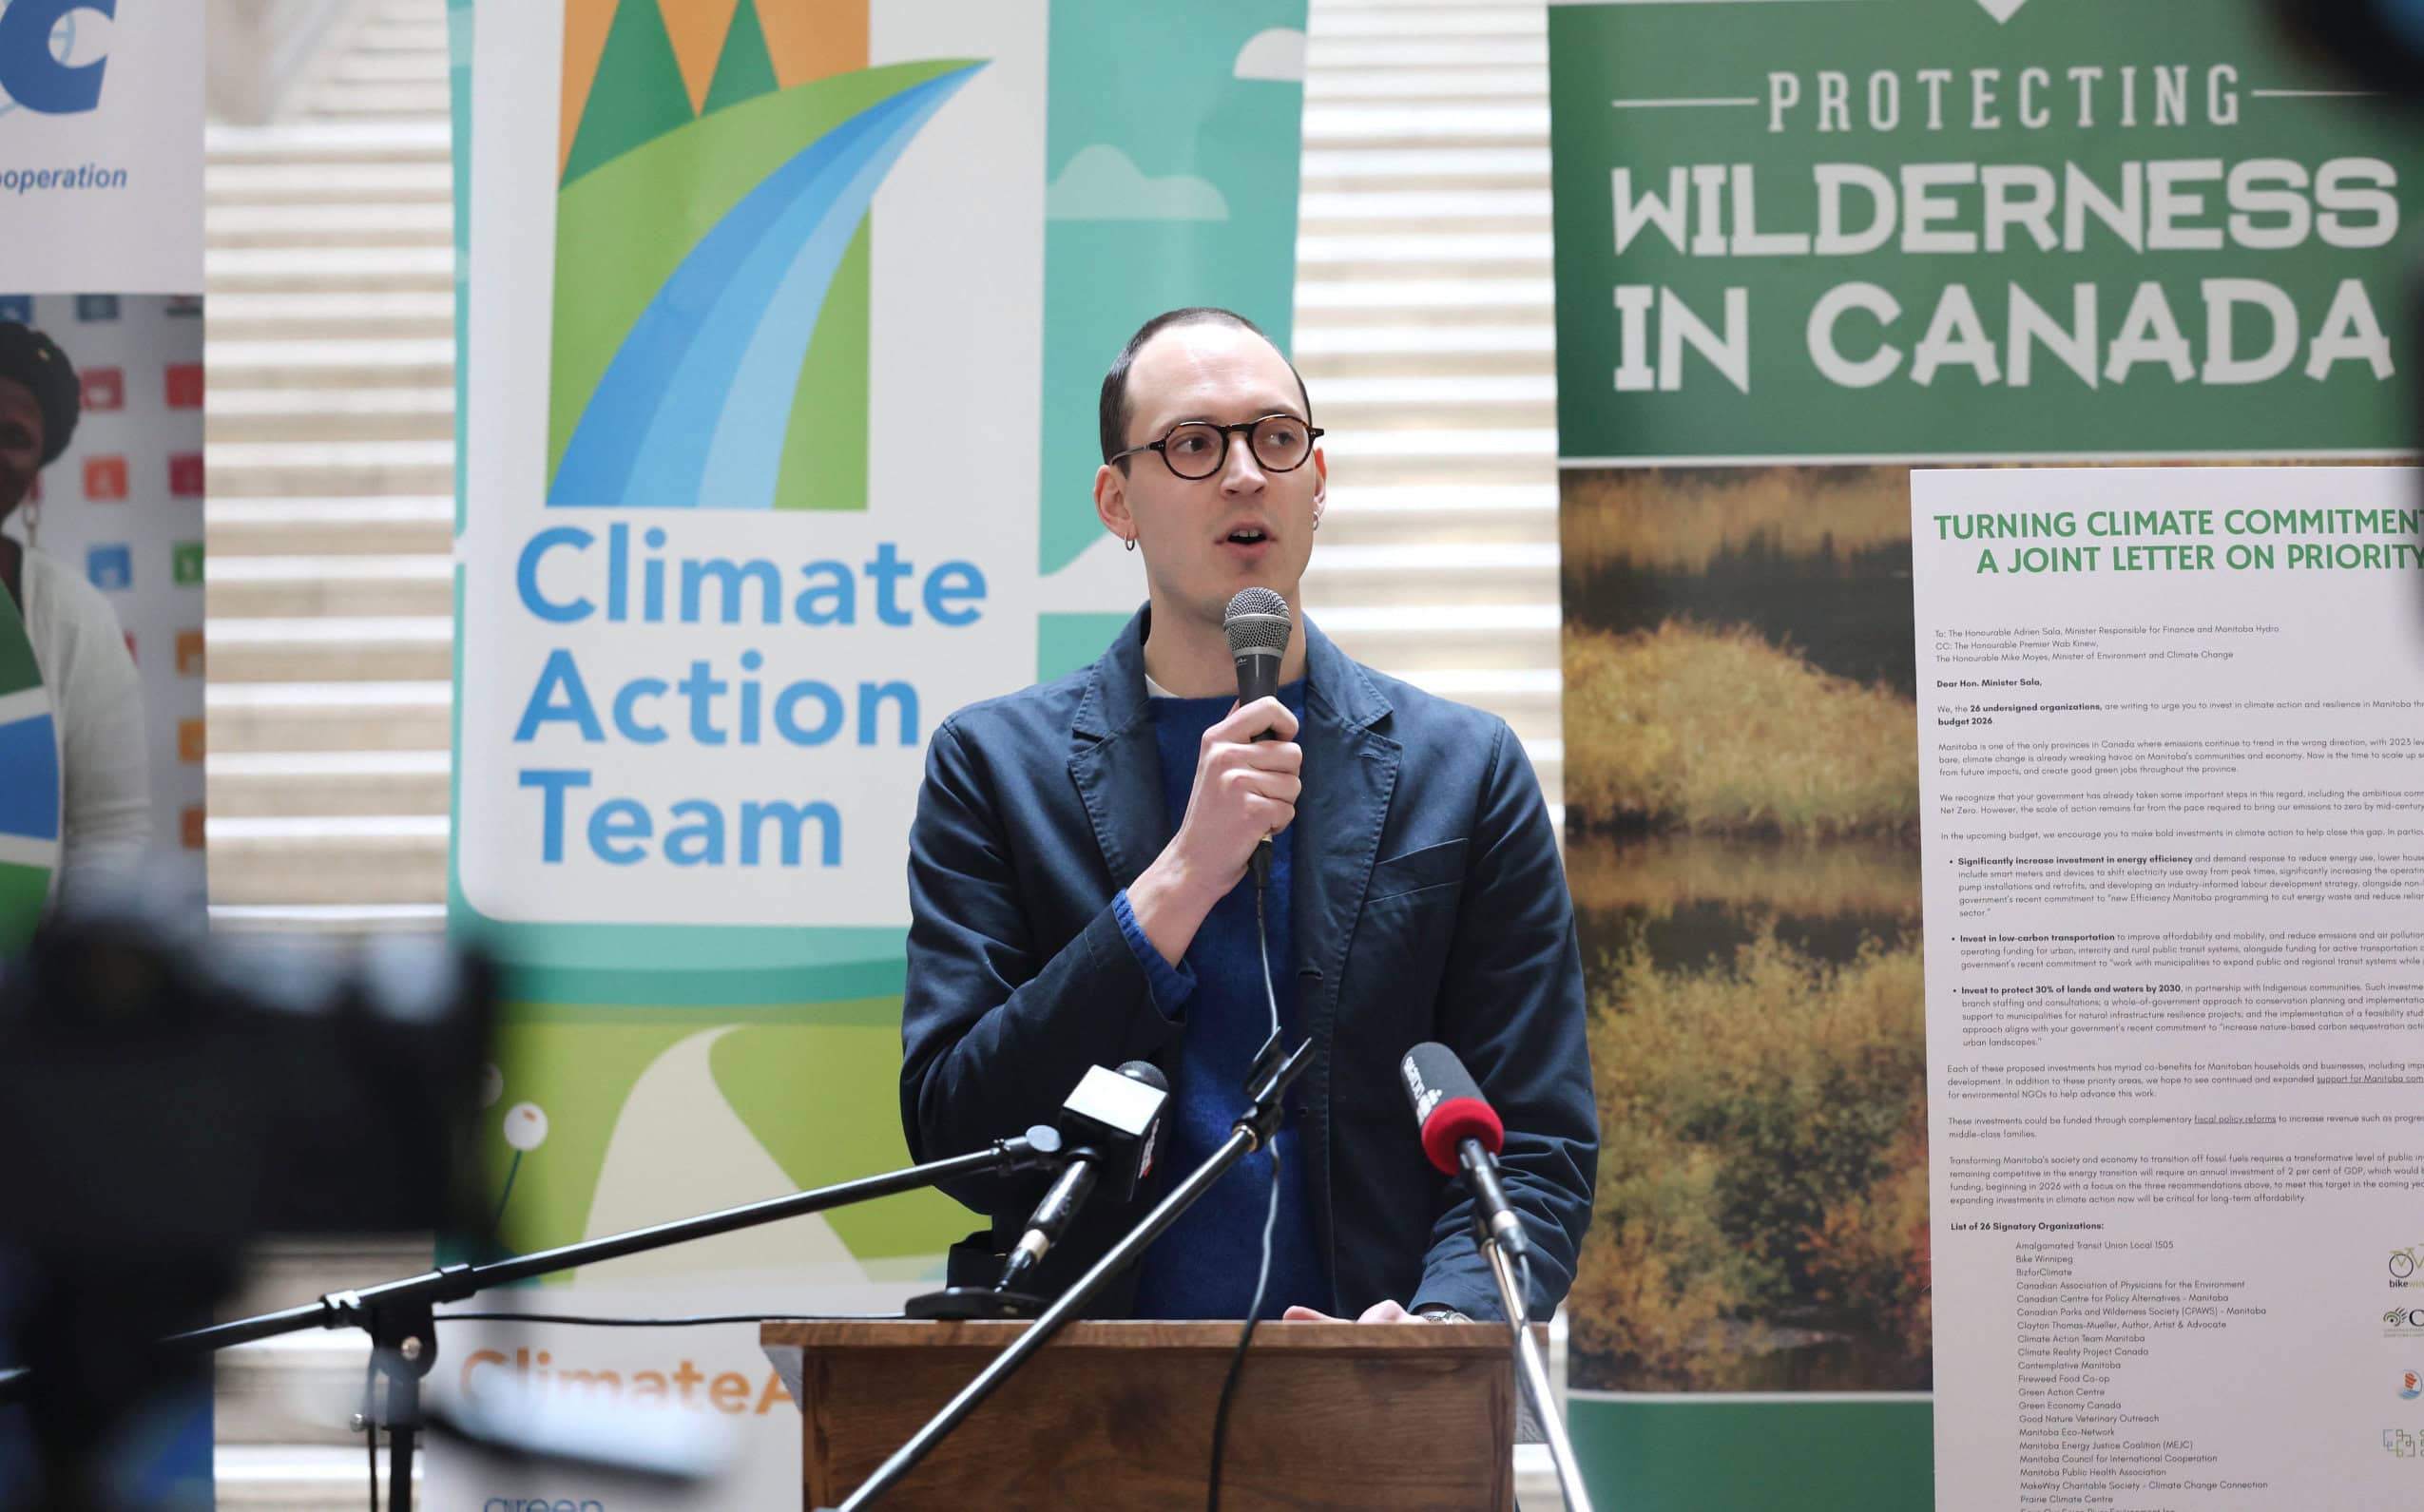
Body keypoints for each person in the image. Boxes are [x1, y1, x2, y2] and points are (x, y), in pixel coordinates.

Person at [899, 307, 1595, 1323]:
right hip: (1090, 1385)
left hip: (1374, 1390)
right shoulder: (996, 768)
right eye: (1193, 444)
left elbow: (1531, 1140)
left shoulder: (1465, 770)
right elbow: (962, 1131)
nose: (1243, 475)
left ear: (1318, 481)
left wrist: (1441, 1330)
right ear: (1117, 501)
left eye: (1276, 439)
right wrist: (1182, 877)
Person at [0, 321, 150, 913]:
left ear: (36, 467)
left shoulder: (72, 617)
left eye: (14, 435)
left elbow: (110, 832)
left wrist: (69, 957)